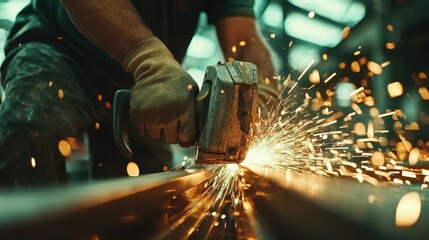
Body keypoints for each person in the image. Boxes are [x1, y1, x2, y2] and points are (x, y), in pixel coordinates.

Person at [0, 0, 280, 188]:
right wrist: (150, 63)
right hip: (59, 47)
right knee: (30, 130)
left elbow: (245, 39)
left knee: (147, 190)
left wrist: (260, 94)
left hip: (150, 89)